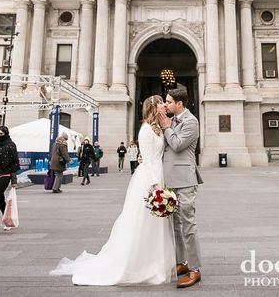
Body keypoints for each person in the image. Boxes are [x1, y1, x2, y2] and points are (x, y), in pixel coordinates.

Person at [50, 96, 175, 284]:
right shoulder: (146, 130)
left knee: (155, 223)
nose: (164, 105)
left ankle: (155, 261)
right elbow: (147, 159)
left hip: (158, 174)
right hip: (150, 178)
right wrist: (155, 185)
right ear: (153, 107)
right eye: (161, 103)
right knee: (141, 221)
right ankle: (139, 264)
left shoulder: (159, 128)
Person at [158, 85, 203, 288]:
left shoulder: (191, 122)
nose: (166, 104)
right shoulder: (173, 119)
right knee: (176, 225)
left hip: (185, 180)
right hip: (170, 180)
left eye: (168, 102)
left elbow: (177, 145)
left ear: (179, 104)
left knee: (188, 225)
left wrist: (166, 126)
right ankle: (182, 262)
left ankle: (195, 269)